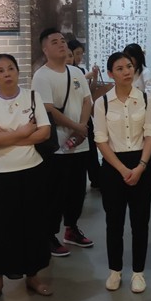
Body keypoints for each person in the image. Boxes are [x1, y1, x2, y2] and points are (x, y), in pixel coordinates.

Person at [0, 54, 53, 301]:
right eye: (0, 70)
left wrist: (8, 136)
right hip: (0, 174)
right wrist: (22, 132)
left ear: (18, 71)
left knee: (33, 225)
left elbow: (44, 133)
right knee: (1, 228)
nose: (7, 73)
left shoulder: (32, 97)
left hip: (32, 170)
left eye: (10, 68)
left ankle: (32, 275)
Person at [93, 52, 151, 293]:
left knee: (140, 223)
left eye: (129, 66)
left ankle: (138, 272)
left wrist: (141, 167)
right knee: (114, 222)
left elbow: (150, 135)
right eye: (119, 68)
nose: (126, 71)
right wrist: (121, 169)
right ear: (111, 74)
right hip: (113, 167)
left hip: (141, 164)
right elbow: (100, 140)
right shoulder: (102, 103)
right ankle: (115, 271)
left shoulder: (146, 99)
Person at [32, 28, 94, 256]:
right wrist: (77, 127)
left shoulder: (76, 72)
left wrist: (82, 126)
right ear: (45, 49)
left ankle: (71, 228)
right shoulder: (41, 76)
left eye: (62, 40)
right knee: (55, 193)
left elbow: (87, 101)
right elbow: (48, 109)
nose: (61, 44)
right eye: (54, 42)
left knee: (77, 191)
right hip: (57, 147)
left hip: (80, 143)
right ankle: (48, 235)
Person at [68, 38, 104, 190]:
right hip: (71, 117)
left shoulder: (81, 71)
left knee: (91, 148)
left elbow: (89, 92)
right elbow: (70, 87)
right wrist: (85, 77)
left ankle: (96, 179)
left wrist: (94, 77)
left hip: (85, 115)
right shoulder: (66, 73)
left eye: (80, 54)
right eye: (75, 54)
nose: (78, 57)